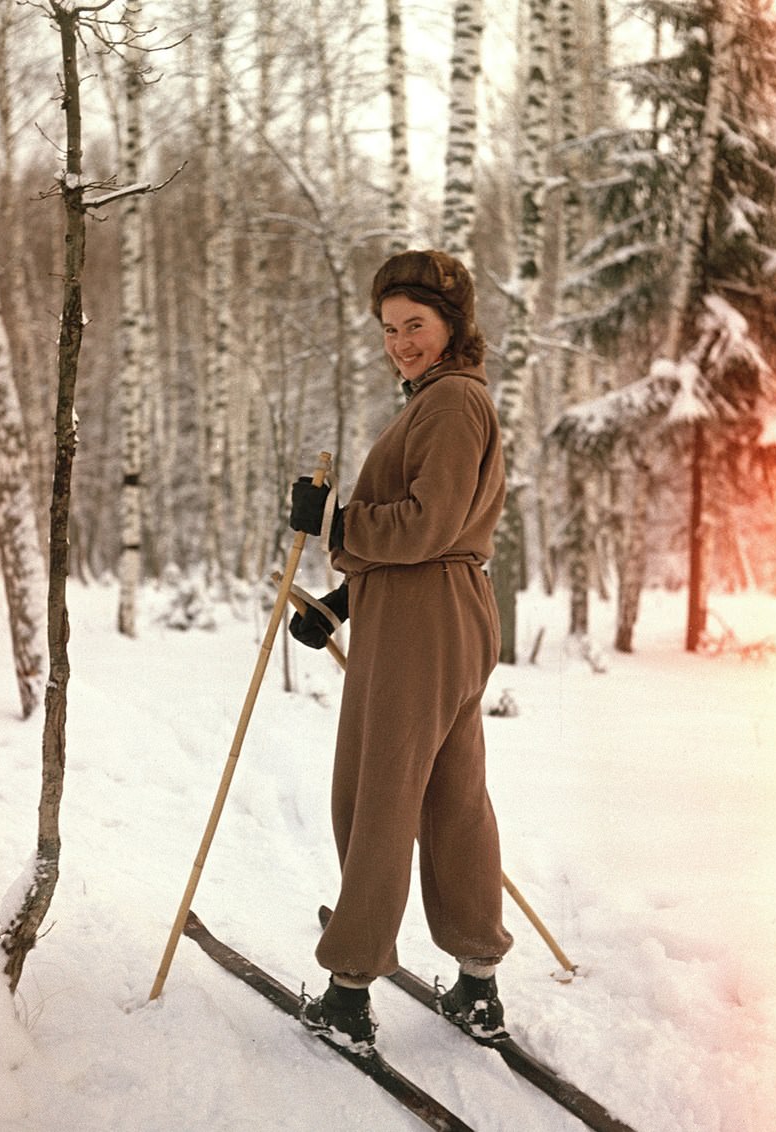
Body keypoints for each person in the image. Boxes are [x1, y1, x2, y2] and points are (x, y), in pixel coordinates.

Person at [288, 248, 513, 1054]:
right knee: (452, 794)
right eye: (389, 328)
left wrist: (334, 526)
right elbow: (433, 540)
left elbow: (425, 523)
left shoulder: (451, 402)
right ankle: (478, 983)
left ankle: (349, 995)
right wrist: (346, 602)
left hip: (426, 615)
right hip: (435, 609)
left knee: (378, 793)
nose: (400, 342)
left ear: (452, 324)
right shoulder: (446, 400)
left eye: (414, 325)